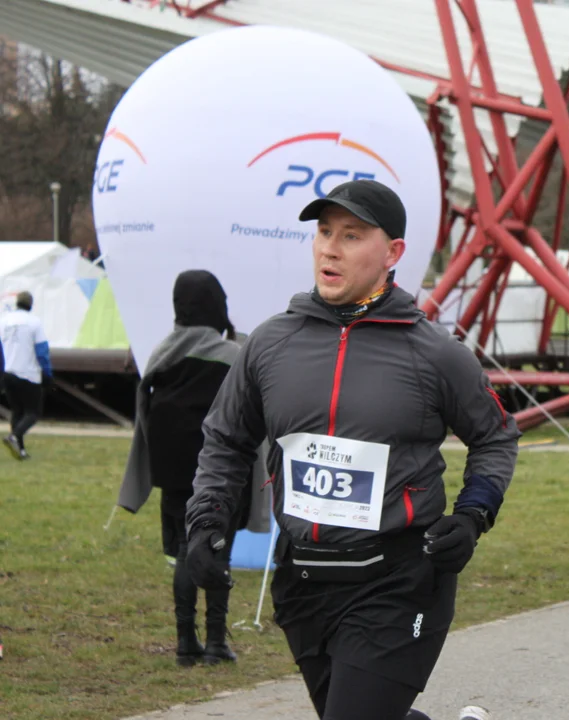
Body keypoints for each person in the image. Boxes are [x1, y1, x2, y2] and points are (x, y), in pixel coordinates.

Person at [183, 179, 520, 720]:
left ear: (392, 253)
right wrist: (207, 519)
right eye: (323, 232)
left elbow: (495, 435)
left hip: (398, 580)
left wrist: (473, 514)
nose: (330, 248)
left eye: (351, 235)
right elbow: (226, 438)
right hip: (305, 583)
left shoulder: (434, 354)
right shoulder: (270, 344)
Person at [117, 270, 248, 667]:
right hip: (222, 473)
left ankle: (184, 642)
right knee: (217, 550)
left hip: (173, 470)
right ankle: (215, 643)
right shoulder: (234, 358)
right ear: (217, 306)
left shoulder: (162, 355)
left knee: (182, 551)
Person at [0, 291, 52, 460]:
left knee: (17, 411)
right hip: (28, 373)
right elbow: (42, 351)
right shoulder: (34, 322)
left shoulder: (5, 321)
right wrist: (47, 372)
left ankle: (20, 450)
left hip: (8, 371)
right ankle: (15, 437)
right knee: (33, 412)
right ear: (30, 304)